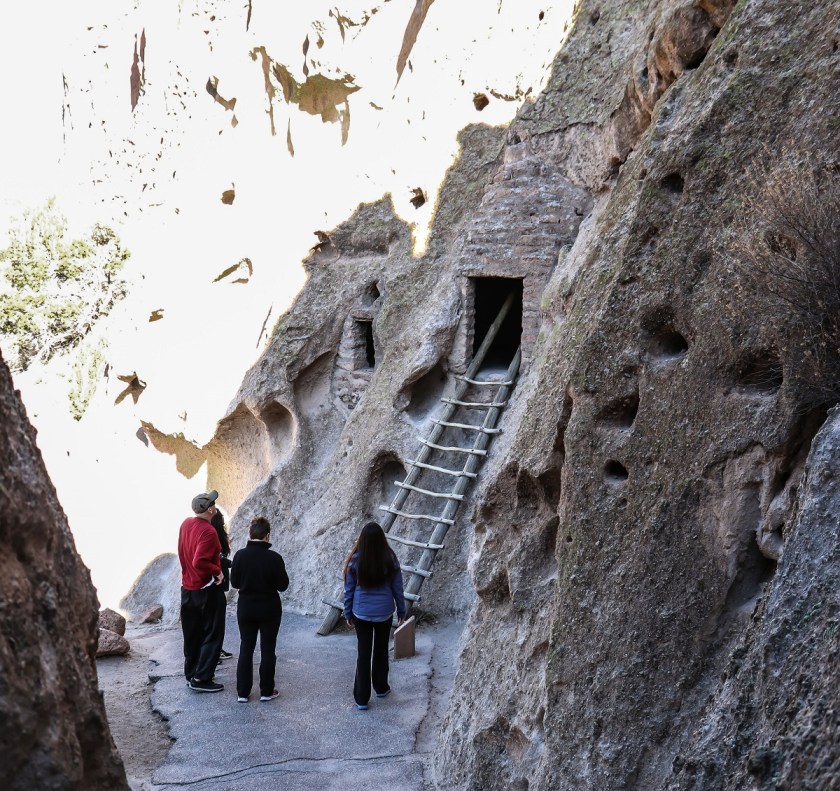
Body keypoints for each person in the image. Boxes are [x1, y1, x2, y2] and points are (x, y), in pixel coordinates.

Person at [343, 521, 406, 710]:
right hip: (384, 612)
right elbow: (398, 588)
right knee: (380, 650)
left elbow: (349, 590)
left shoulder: (355, 560)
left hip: (361, 612)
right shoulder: (390, 558)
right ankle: (381, 687)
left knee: (363, 654)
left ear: (362, 540)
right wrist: (401, 610)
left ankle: (361, 699)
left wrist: (347, 612)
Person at [230, 516, 289, 703]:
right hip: (269, 608)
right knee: (268, 649)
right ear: (268, 536)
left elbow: (235, 582)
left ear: (250, 534)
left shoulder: (239, 555)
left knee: (246, 647)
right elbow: (283, 586)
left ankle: (242, 692)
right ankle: (266, 691)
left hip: (246, 607)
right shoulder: (275, 558)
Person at [178, 489, 225, 692]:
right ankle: (202, 679)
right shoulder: (209, 531)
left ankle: (192, 674)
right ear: (209, 510)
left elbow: (185, 553)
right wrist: (218, 572)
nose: (215, 506)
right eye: (212, 504)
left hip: (187, 587)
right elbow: (200, 561)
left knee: (192, 634)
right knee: (213, 634)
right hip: (206, 589)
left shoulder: (186, 524)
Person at [210, 509, 233, 663]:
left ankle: (215, 650)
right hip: (214, 583)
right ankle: (212, 653)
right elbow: (218, 560)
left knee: (214, 621)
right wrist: (234, 564)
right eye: (222, 521)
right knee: (214, 621)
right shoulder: (214, 536)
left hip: (216, 583)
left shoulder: (217, 536)